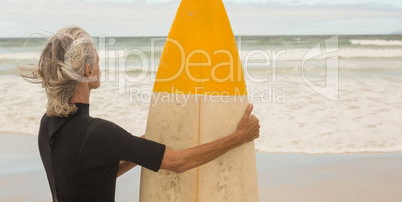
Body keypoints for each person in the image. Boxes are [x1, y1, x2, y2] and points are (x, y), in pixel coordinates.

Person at [19, 26, 260, 202]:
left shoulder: (48, 124)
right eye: (98, 62)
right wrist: (239, 137)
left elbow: (93, 175)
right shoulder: (97, 132)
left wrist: (140, 147)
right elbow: (178, 163)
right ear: (88, 69)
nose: (100, 68)